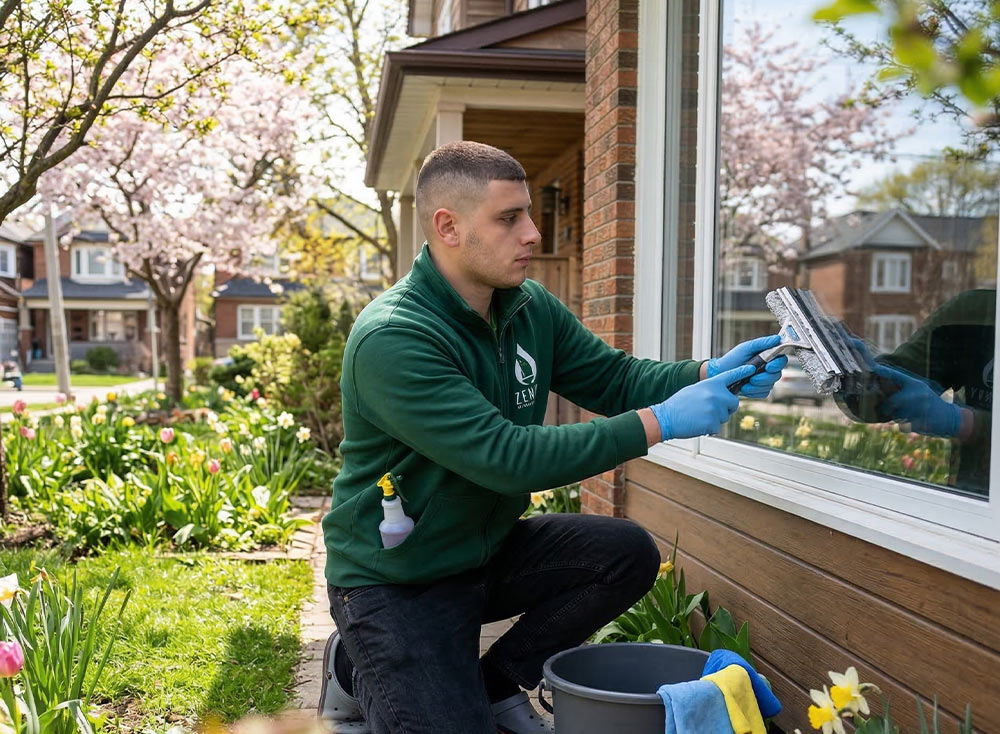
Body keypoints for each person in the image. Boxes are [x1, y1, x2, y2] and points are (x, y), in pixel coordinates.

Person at [321, 141, 787, 734]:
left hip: (481, 555)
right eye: (509, 218)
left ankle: (493, 684)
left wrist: (706, 372)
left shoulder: (526, 307)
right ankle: (356, 659)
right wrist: (661, 423)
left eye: (529, 214)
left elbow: (614, 378)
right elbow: (506, 459)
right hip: (397, 582)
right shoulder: (394, 338)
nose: (533, 234)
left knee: (624, 555)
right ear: (448, 227)